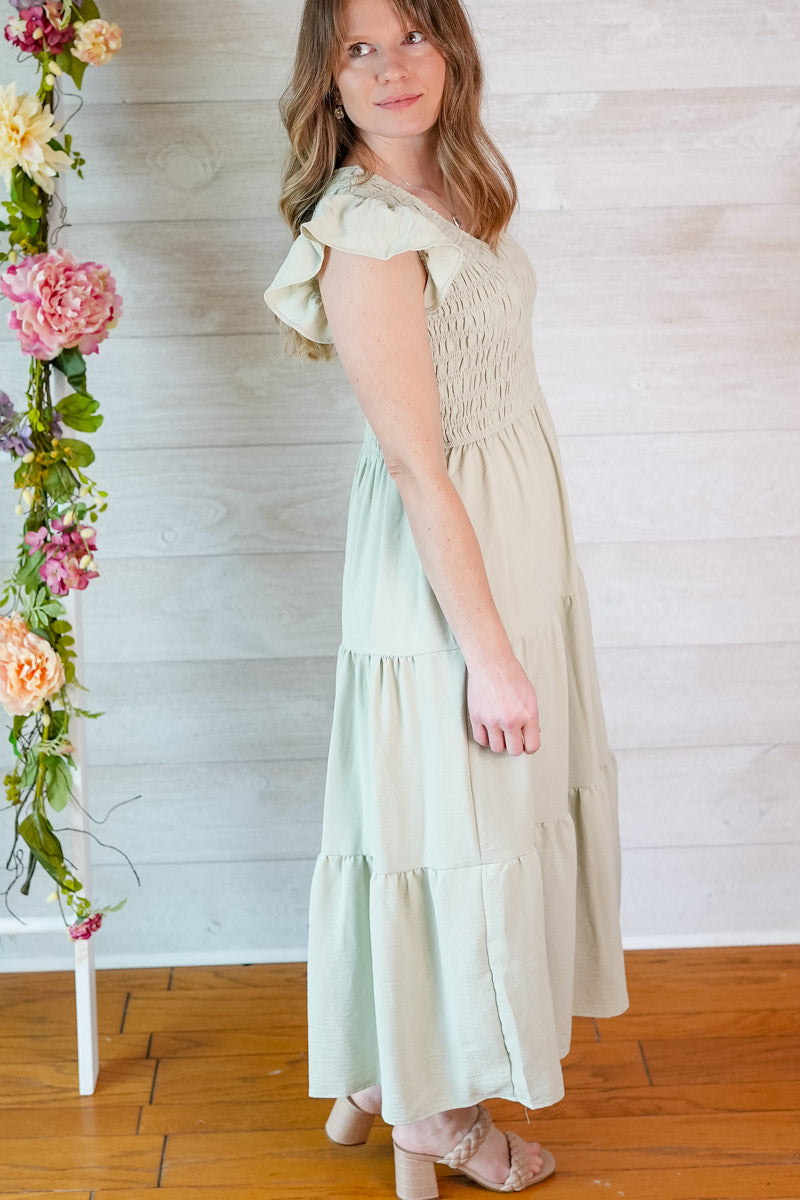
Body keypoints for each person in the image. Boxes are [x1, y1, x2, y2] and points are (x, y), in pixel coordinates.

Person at [264, 0, 629, 1193]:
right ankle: (435, 1112)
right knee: (453, 831)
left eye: (411, 35)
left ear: (451, 48)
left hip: (505, 550)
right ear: (325, 81)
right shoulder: (364, 230)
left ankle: (383, 1073)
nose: (389, 68)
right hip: (444, 582)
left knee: (486, 819)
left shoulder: (457, 187)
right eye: (356, 49)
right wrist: (489, 655)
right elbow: (420, 465)